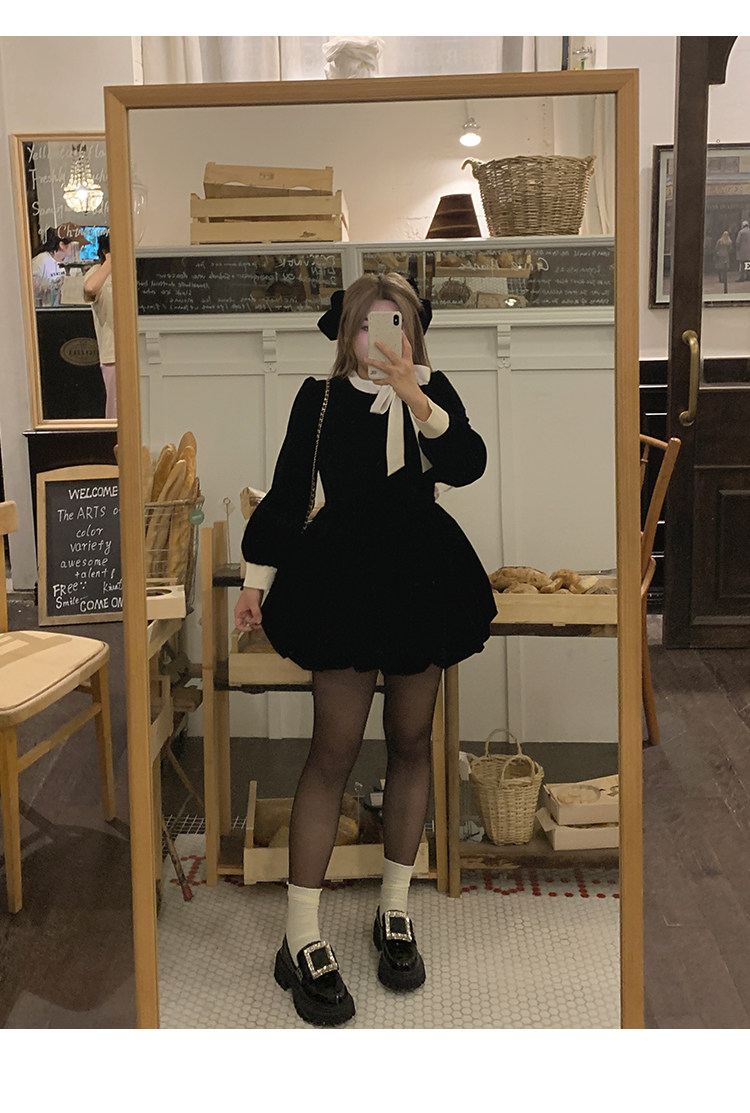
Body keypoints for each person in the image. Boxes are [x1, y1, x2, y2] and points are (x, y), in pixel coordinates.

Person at [234, 272, 496, 1026]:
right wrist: (255, 581)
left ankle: (394, 908)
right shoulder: (317, 398)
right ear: (347, 332)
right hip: (341, 575)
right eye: (370, 324)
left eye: (399, 323)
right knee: (334, 749)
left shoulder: (431, 393)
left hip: (420, 573)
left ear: (414, 332)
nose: (384, 337)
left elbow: (467, 464)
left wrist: (417, 398)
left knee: (413, 740)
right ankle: (300, 933)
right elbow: (290, 491)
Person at [83, 234, 116, 418]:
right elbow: (90, 289)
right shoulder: (97, 272)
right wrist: (110, 261)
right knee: (116, 413)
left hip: (137, 351)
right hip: (112, 354)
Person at [30, 228, 73, 307]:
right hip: (45, 310)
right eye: (72, 244)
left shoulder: (70, 262)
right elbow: (30, 289)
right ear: (62, 245)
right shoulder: (40, 261)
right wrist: (50, 287)